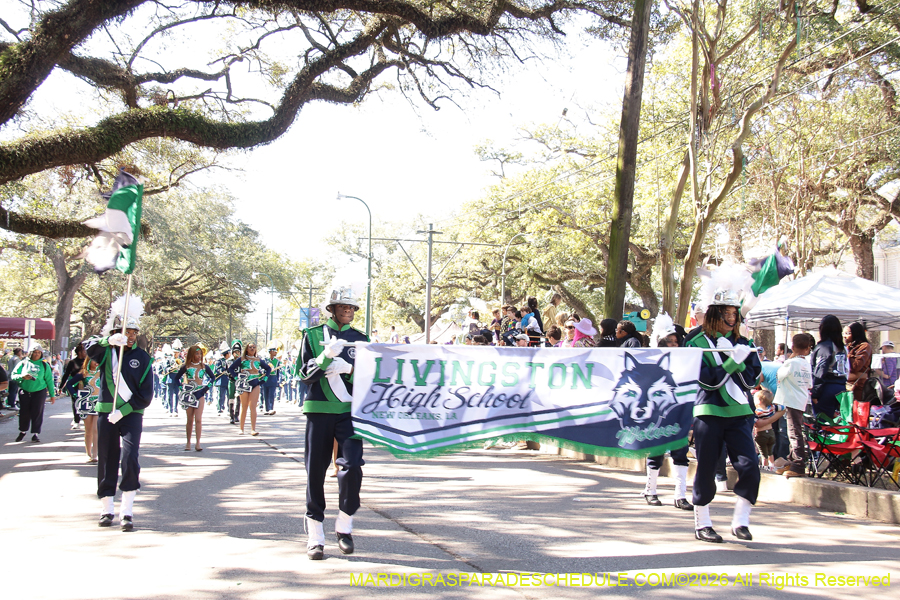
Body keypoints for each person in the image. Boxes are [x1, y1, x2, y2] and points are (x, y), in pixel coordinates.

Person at [685, 278, 762, 543]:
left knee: (750, 466)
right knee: (706, 467)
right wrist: (731, 362)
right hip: (708, 410)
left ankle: (741, 520)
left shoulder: (742, 340)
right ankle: (702, 523)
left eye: (734, 314)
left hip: (740, 411)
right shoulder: (694, 341)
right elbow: (707, 380)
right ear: (715, 313)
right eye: (727, 313)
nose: (732, 319)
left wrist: (739, 362)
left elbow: (752, 380)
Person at [298, 287, 369, 560]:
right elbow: (304, 375)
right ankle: (315, 536)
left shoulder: (361, 340)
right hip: (319, 409)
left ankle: (345, 525)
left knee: (352, 466)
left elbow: (371, 375)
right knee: (315, 471)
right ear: (332, 309)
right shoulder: (312, 336)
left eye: (352, 307)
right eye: (343, 307)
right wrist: (325, 357)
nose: (348, 311)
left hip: (350, 411)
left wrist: (349, 368)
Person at [83, 296, 153, 531]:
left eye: (133, 332)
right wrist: (106, 340)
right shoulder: (105, 353)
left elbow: (145, 394)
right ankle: (106, 509)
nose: (129, 335)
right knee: (106, 458)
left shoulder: (143, 358)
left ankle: (127, 511)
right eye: (124, 331)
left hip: (131, 413)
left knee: (130, 457)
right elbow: (87, 347)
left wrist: (122, 410)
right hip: (106, 411)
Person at [643, 314, 693, 510]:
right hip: (657, 415)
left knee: (681, 453)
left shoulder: (685, 362)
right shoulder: (652, 364)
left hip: (679, 413)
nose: (674, 345)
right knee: (656, 453)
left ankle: (680, 495)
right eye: (670, 342)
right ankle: (650, 490)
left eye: (676, 342)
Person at [774, 333, 814, 478]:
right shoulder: (806, 364)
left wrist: (788, 360)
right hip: (801, 399)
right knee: (795, 429)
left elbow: (779, 375)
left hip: (791, 400)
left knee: (793, 431)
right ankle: (792, 460)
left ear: (792, 347)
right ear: (807, 349)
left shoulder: (791, 363)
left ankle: (799, 463)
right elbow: (809, 384)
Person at [11, 343, 56, 443]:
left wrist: (52, 395)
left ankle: (35, 433)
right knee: (24, 413)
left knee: (37, 412)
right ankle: (22, 431)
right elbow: (13, 375)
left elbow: (49, 380)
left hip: (39, 391)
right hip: (25, 391)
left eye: (39, 352)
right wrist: (22, 376)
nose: (36, 354)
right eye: (35, 352)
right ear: (30, 353)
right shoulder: (23, 363)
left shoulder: (44, 365)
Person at [176, 345, 215, 451]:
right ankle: (188, 442)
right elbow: (176, 378)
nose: (199, 356)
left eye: (200, 354)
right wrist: (182, 388)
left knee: (198, 419)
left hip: (200, 393)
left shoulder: (204, 367)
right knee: (189, 419)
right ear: (191, 354)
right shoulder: (186, 366)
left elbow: (213, 377)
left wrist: (206, 388)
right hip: (189, 394)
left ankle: (198, 443)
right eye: (196, 353)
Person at [228, 342, 271, 435]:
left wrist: (265, 378)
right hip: (244, 384)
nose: (252, 348)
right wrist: (236, 378)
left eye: (254, 347)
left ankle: (253, 429)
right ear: (246, 349)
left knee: (253, 407)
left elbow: (268, 368)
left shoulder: (258, 360)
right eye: (250, 347)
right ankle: (241, 428)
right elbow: (231, 368)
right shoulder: (242, 359)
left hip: (255, 384)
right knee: (244, 406)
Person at [809, 315, 848, 418]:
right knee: (837, 423)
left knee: (823, 422)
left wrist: (815, 393)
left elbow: (820, 370)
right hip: (841, 386)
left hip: (826, 388)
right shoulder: (842, 347)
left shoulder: (824, 347)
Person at [70, 358, 102, 462]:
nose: (96, 362)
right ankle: (88, 454)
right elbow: (69, 384)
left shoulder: (102, 373)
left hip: (98, 403)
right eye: (93, 360)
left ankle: (95, 454)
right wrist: (76, 395)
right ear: (88, 361)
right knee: (88, 431)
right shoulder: (84, 374)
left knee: (96, 429)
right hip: (86, 403)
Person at [752, 389, 783, 471]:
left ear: (759, 401)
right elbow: (783, 407)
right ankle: (772, 466)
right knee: (770, 451)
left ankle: (765, 467)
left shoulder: (758, 412)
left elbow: (755, 422)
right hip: (771, 432)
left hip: (761, 434)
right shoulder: (771, 408)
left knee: (763, 453)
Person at [58, 343, 87, 430]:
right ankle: (76, 421)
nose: (85, 352)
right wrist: (61, 386)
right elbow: (66, 374)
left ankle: (86, 420)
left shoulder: (88, 361)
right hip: (75, 384)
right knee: (75, 403)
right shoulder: (72, 362)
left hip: (86, 384)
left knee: (86, 403)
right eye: (83, 351)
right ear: (79, 352)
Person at [845, 322, 872, 403]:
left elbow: (856, 366)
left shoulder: (865, 346)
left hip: (858, 387)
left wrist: (847, 354)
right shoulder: (848, 346)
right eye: (844, 333)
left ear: (855, 333)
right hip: (847, 386)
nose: (844, 336)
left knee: (857, 411)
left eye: (848, 333)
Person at [262, 345, 282, 415]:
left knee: (271, 394)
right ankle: (266, 409)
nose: (276, 353)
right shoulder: (265, 360)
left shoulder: (277, 361)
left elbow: (278, 372)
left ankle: (271, 408)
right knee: (266, 394)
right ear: (270, 352)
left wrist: (278, 380)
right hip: (266, 378)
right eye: (274, 351)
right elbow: (261, 368)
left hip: (273, 379)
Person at [213, 349, 231, 415]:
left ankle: (229, 409)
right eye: (229, 353)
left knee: (229, 395)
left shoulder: (230, 361)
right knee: (221, 396)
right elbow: (218, 369)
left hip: (228, 380)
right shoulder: (219, 361)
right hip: (221, 380)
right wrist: (224, 370)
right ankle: (219, 408)